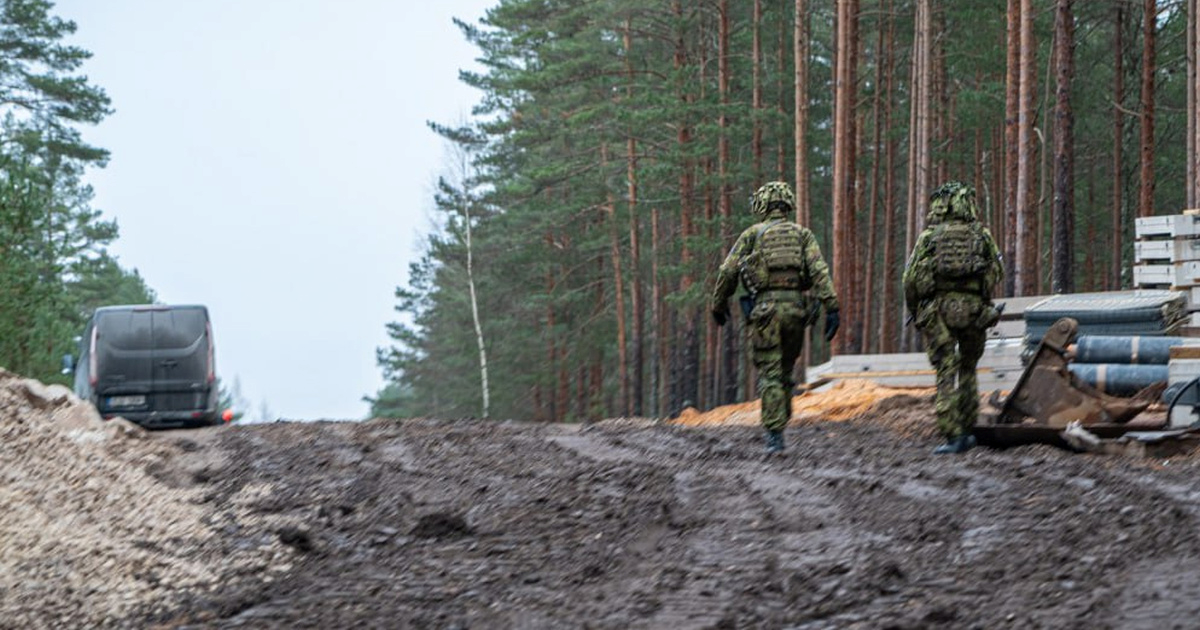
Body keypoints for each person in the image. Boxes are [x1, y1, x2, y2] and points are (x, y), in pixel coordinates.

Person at [711, 181, 839, 454]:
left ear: (762, 205)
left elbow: (728, 271)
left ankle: (774, 435)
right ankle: (781, 419)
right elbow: (819, 271)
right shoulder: (803, 235)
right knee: (784, 370)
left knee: (770, 373)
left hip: (766, 312)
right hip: (796, 311)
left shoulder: (752, 234)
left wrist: (718, 304)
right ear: (787, 204)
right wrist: (832, 306)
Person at [902, 181, 1004, 454]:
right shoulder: (981, 236)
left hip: (938, 311)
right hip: (973, 311)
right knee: (969, 369)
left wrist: (915, 312)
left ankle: (952, 435)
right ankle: (969, 429)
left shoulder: (929, 238)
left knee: (946, 370)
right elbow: (997, 270)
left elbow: (910, 280)